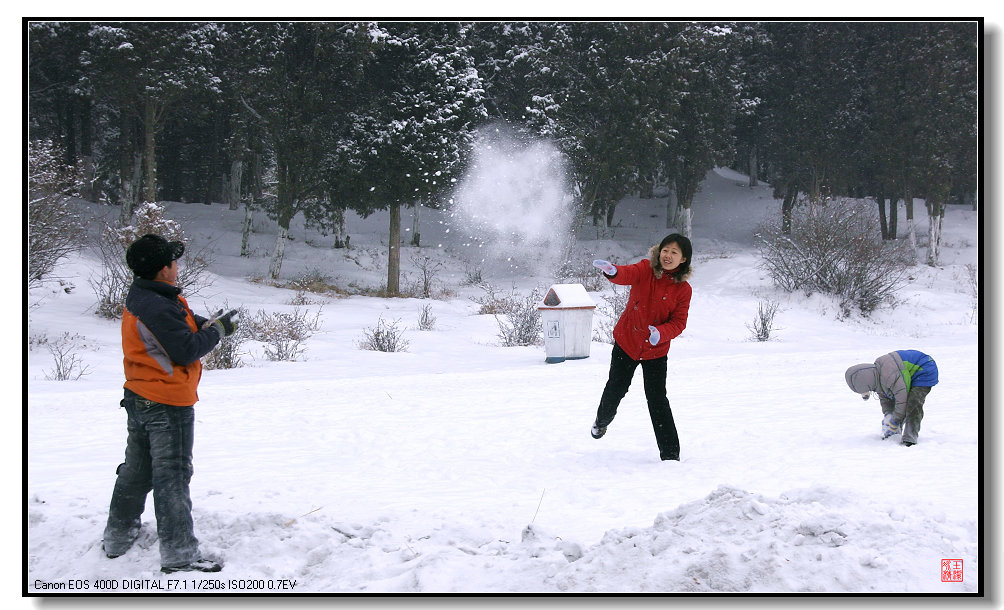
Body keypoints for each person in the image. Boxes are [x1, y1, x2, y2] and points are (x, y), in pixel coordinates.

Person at [102, 233, 239, 573]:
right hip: (166, 402)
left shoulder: (147, 295)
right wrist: (217, 331)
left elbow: (177, 328)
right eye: (174, 262)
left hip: (141, 396)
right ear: (163, 269)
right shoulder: (158, 304)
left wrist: (205, 323)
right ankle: (179, 555)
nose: (178, 267)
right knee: (172, 476)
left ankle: (118, 537)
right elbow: (185, 349)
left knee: (137, 471)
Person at [590, 234, 693, 461]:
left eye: (675, 253)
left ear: (683, 259)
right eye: (666, 250)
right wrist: (613, 271)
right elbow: (628, 274)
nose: (668, 256)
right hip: (627, 341)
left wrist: (661, 333)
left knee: (657, 400)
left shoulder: (683, 290)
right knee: (616, 389)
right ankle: (601, 421)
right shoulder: (646, 269)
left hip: (656, 350)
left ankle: (670, 455)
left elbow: (679, 322)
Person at [844, 350, 939, 446]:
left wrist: (895, 421)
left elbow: (902, 399)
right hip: (906, 375)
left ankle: (910, 437)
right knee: (895, 402)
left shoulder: (889, 374)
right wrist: (888, 415)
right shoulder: (877, 377)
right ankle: (895, 432)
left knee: (913, 403)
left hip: (923, 369)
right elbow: (886, 400)